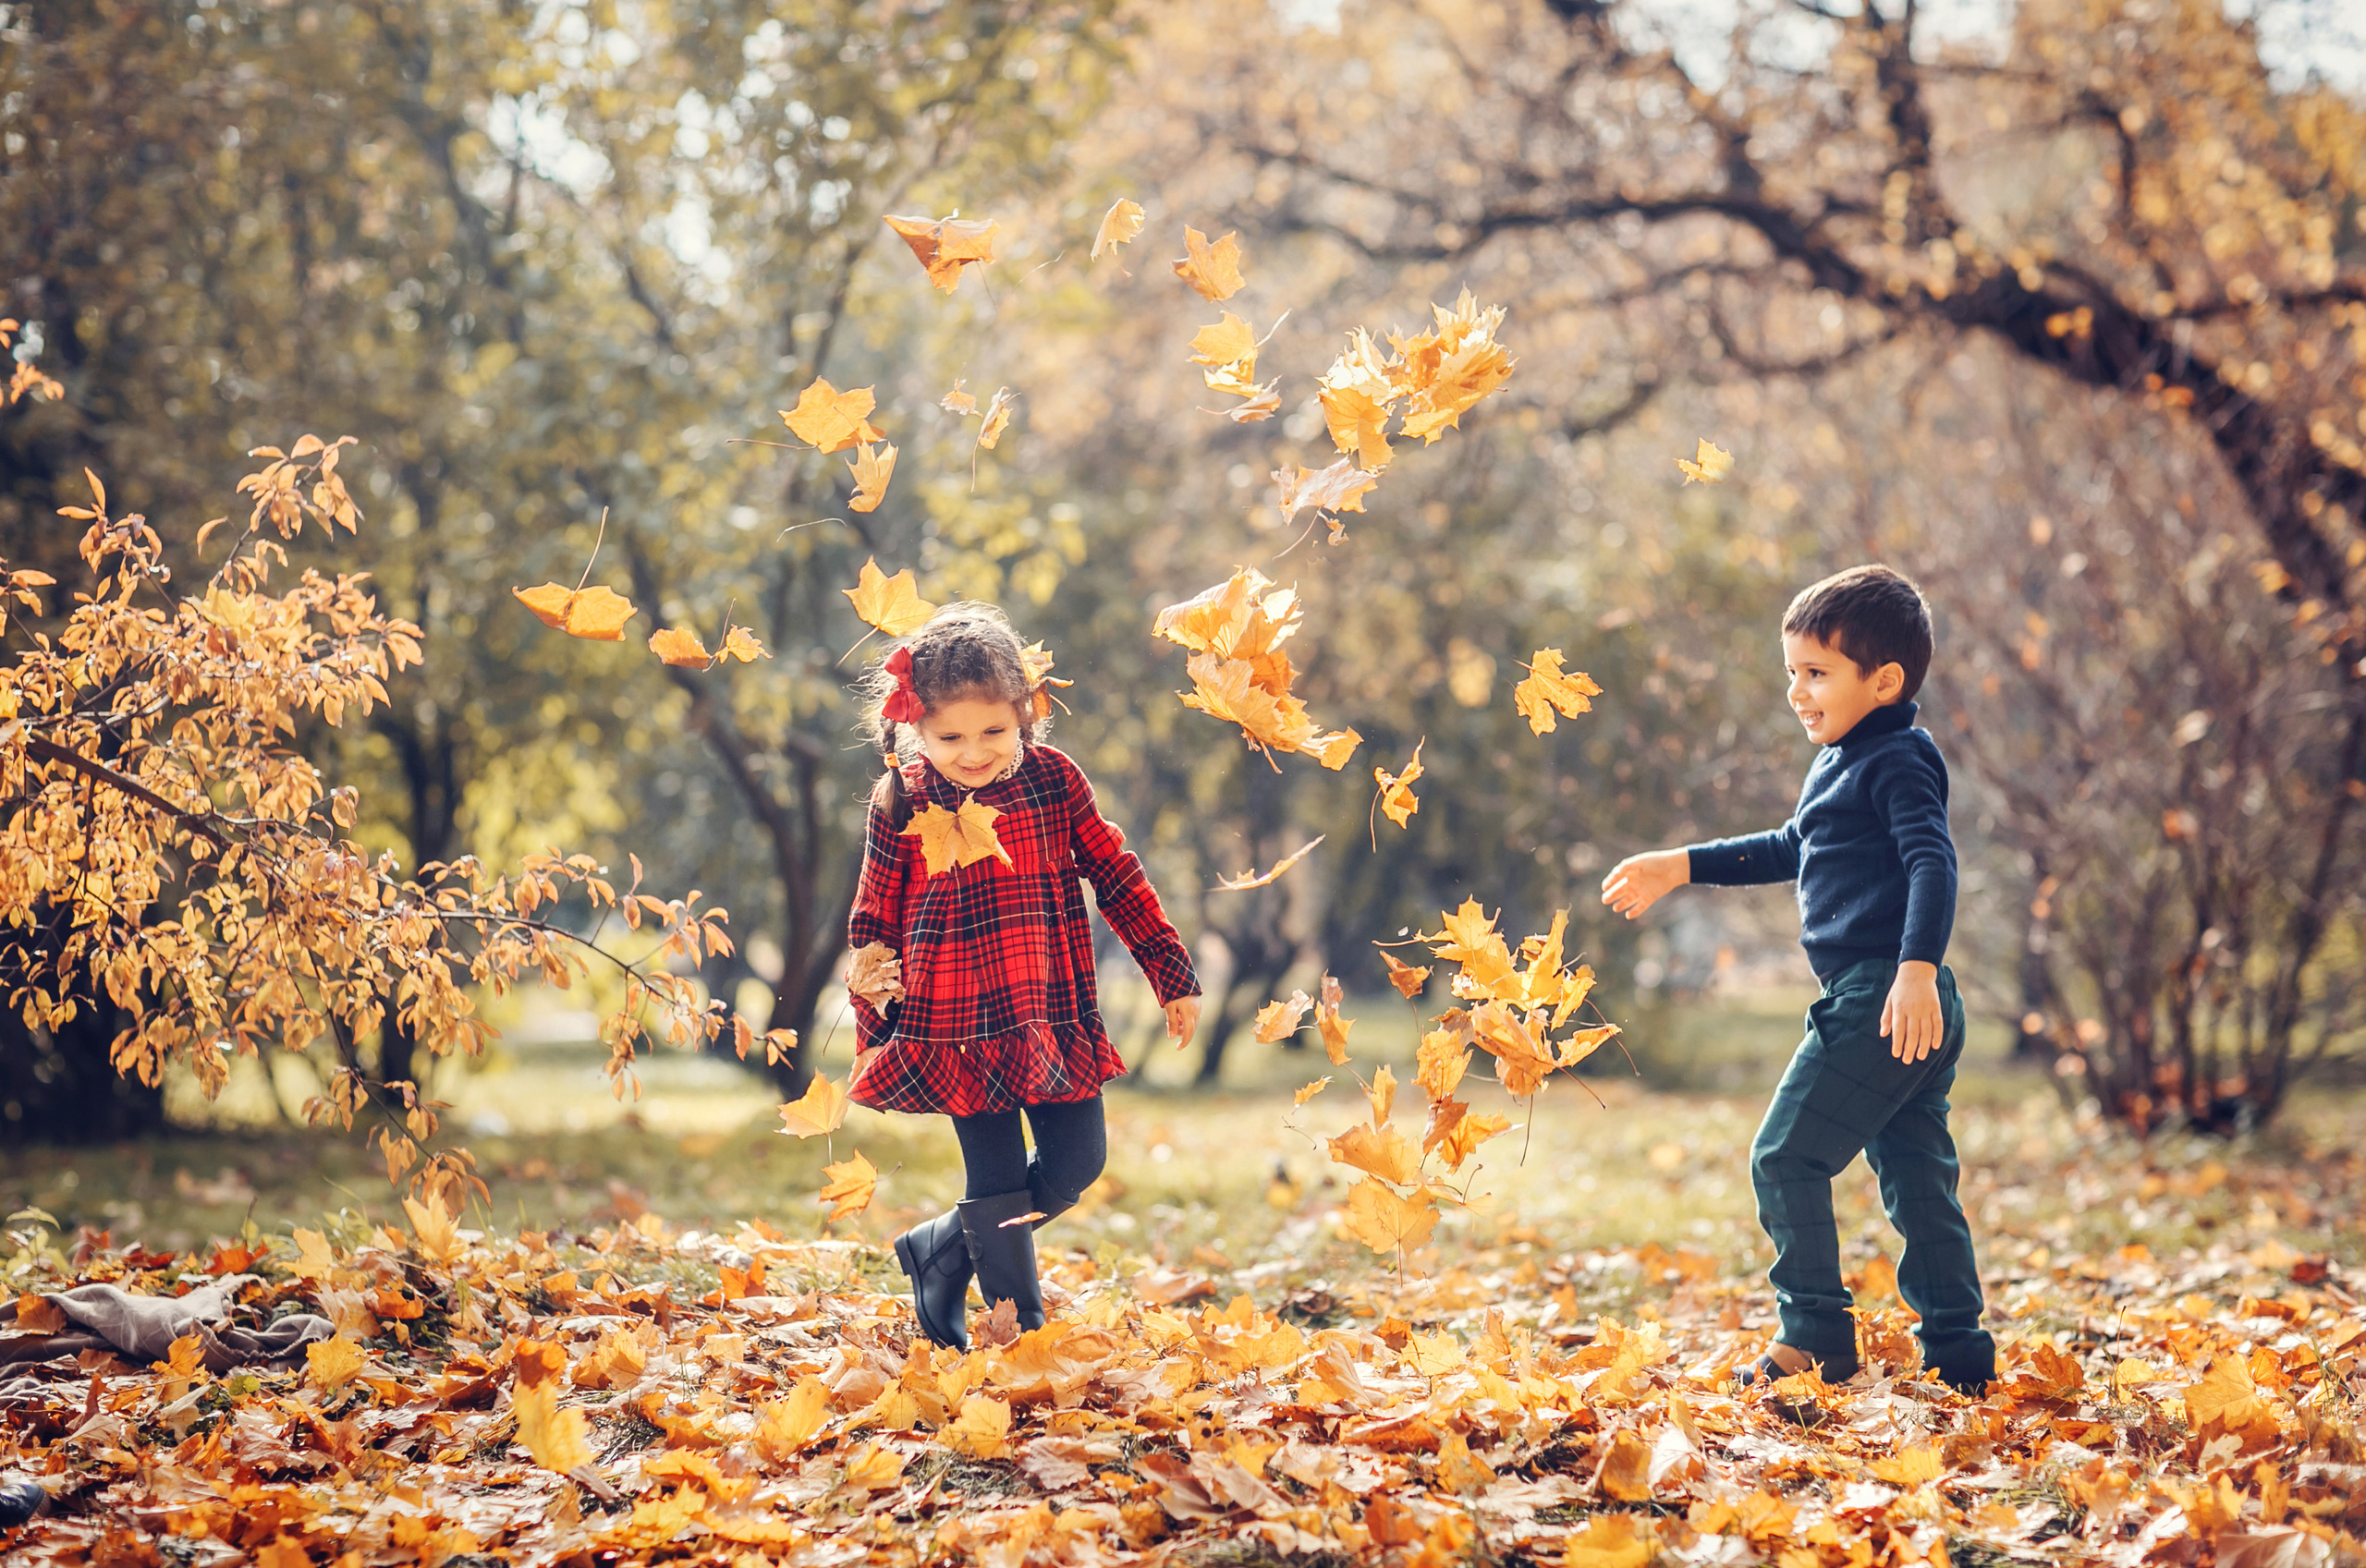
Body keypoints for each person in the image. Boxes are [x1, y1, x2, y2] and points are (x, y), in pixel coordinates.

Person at [1599, 565, 1996, 1396]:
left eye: (1816, 673)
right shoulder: (1844, 761)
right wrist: (1682, 864)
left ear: (1883, 681)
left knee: (1785, 1157)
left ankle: (1812, 1337)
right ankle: (1960, 1357)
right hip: (1897, 1000)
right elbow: (1794, 845)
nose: (1797, 691)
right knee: (1919, 1178)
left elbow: (1933, 860)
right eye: (1791, 672)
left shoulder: (1897, 757)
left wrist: (1915, 971)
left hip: (1885, 996)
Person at [843, 602, 1201, 1350]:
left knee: (1078, 1161)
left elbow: (1117, 873)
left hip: (1049, 1008)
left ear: (1027, 713)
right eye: (950, 737)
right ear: (916, 726)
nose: (973, 753)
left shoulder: (1053, 781)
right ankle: (1022, 1330)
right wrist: (874, 1025)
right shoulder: (903, 799)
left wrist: (1170, 970)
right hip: (956, 1023)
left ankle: (941, 1247)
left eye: (993, 731)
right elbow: (873, 924)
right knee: (997, 1181)